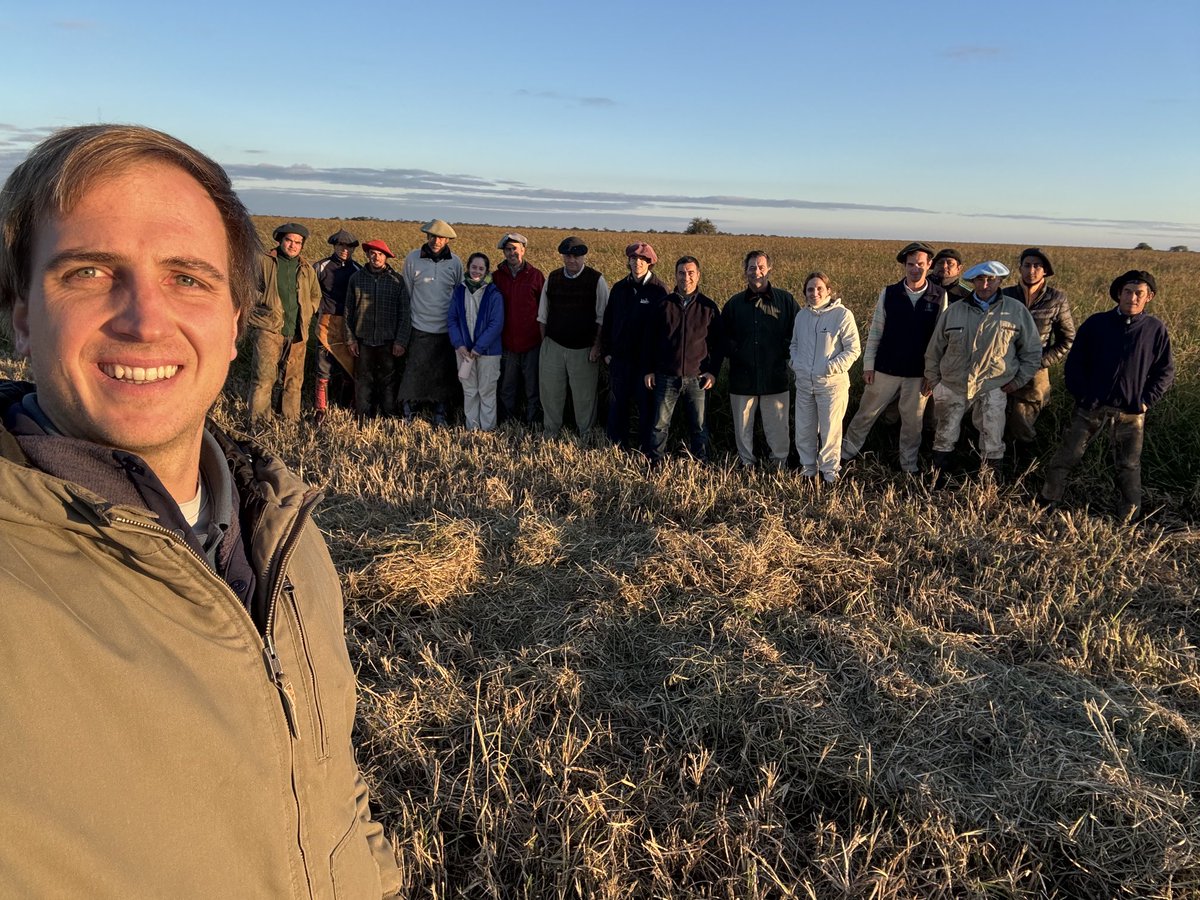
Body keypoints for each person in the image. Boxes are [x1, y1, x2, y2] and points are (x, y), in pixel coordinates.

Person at [0, 124, 400, 896]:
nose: (144, 320)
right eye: (88, 272)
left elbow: (329, 783)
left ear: (231, 322)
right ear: (20, 315)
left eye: (188, 278)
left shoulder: (288, 534)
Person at [1039, 270, 1174, 520]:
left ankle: (1130, 515)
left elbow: (1164, 371)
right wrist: (1082, 394)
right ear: (1118, 294)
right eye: (1127, 292)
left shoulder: (1155, 330)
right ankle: (1047, 500)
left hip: (1131, 412)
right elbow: (1075, 363)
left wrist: (1145, 401)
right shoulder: (1097, 323)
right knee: (1067, 455)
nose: (1132, 298)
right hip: (1091, 406)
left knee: (1129, 465)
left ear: (1149, 297)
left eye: (1138, 293)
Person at [924, 261, 1042, 474]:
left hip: (993, 386)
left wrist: (1017, 381)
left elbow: (1032, 352)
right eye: (980, 279)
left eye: (991, 279)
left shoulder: (1016, 311)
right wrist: (935, 381)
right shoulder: (954, 311)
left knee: (992, 439)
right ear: (972, 281)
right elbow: (934, 350)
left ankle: (988, 484)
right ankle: (938, 482)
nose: (985, 284)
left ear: (1000, 281)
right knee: (944, 436)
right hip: (953, 385)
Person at [841, 241, 946, 473]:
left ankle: (908, 465)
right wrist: (869, 365)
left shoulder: (939, 296)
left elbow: (939, 339)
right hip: (885, 368)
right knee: (865, 414)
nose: (915, 269)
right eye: (910, 264)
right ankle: (845, 454)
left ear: (929, 265)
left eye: (920, 264)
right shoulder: (889, 293)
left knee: (912, 423)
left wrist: (932, 373)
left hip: (918, 374)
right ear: (904, 266)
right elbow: (876, 330)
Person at [721, 250, 798, 468]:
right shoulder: (734, 304)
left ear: (769, 269)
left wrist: (783, 353)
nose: (757, 272)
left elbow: (798, 332)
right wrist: (737, 352)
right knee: (742, 425)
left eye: (761, 267)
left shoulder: (786, 301)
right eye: (752, 267)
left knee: (777, 425)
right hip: (742, 377)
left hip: (775, 375)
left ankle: (779, 463)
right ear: (745, 271)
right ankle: (747, 463)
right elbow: (722, 336)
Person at [643, 256, 723, 464]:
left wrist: (712, 372)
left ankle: (701, 462)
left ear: (698, 276)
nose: (685, 277)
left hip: (697, 379)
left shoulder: (709, 308)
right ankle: (655, 462)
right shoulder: (663, 305)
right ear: (675, 275)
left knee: (699, 425)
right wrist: (649, 369)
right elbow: (650, 341)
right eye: (681, 273)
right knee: (659, 424)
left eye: (690, 273)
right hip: (666, 377)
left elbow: (718, 344)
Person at [246, 220, 321, 428]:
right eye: (289, 240)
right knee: (264, 378)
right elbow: (248, 289)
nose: (293, 245)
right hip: (269, 328)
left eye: (298, 242)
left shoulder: (306, 269)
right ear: (280, 241)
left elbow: (316, 295)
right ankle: (259, 423)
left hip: (298, 331)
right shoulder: (264, 262)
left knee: (294, 380)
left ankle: (290, 419)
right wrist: (262, 309)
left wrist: (309, 310)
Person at [789, 272, 861, 483]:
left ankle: (830, 474)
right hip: (804, 384)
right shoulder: (802, 316)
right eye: (810, 289)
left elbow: (853, 349)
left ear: (829, 291)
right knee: (804, 429)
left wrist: (830, 368)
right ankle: (808, 470)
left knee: (830, 432)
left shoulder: (842, 315)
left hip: (831, 386)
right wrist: (796, 364)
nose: (815, 293)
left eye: (820, 288)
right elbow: (794, 344)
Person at [1000, 247, 1075, 449]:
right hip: (1003, 368)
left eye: (1037, 266)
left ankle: (1023, 467)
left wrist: (1038, 362)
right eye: (1027, 265)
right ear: (1020, 268)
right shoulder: (1005, 296)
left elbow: (1067, 339)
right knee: (996, 419)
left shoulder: (1056, 299)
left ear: (1045, 271)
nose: (1031, 270)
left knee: (1023, 423)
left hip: (1036, 372)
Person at [600, 241, 669, 452]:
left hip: (645, 364)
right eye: (633, 259)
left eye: (642, 260)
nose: (637, 263)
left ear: (650, 263)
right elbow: (608, 321)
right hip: (620, 360)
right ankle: (616, 448)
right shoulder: (620, 288)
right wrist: (607, 352)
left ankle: (645, 450)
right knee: (617, 406)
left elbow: (664, 331)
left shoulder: (659, 291)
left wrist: (656, 365)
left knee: (646, 408)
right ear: (628, 261)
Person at [538, 236, 609, 437]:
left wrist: (596, 347)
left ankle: (586, 433)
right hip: (554, 346)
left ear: (584, 256)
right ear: (562, 256)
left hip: (584, 349)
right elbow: (543, 315)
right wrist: (545, 344)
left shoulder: (596, 279)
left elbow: (603, 317)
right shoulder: (552, 278)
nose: (572, 260)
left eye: (576, 256)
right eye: (568, 256)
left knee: (584, 397)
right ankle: (550, 431)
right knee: (551, 393)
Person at [400, 218, 463, 425]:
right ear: (427, 236)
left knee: (443, 372)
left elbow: (458, 293)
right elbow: (408, 291)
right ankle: (411, 410)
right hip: (419, 325)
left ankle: (440, 411)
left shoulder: (455, 262)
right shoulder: (412, 259)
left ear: (447, 240)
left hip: (445, 328)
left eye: (441, 237)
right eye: (433, 236)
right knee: (415, 370)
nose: (436, 241)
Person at [345, 239, 411, 419]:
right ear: (367, 255)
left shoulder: (396, 281)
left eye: (380, 254)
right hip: (363, 340)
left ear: (386, 257)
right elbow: (348, 311)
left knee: (388, 382)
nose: (376, 257)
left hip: (388, 341)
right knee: (363, 382)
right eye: (372, 253)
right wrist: (350, 339)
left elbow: (405, 313)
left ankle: (390, 414)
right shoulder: (356, 279)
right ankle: (364, 416)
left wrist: (401, 341)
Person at [493, 232, 545, 426]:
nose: (511, 253)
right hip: (507, 343)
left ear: (523, 250)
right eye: (507, 249)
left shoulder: (536, 276)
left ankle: (534, 423)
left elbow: (544, 310)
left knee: (533, 387)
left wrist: (543, 339)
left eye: (514, 248)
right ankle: (507, 422)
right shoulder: (497, 277)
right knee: (507, 386)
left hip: (532, 343)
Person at [448, 252, 505, 431]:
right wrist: (460, 345)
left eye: (481, 268)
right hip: (464, 352)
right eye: (474, 267)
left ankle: (487, 430)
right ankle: (472, 429)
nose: (477, 271)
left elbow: (496, 324)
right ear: (468, 267)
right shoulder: (459, 291)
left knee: (487, 392)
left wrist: (479, 347)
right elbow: (452, 320)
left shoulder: (494, 293)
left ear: (487, 270)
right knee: (470, 391)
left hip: (488, 353)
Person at [312, 228, 361, 426]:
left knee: (348, 369)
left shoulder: (357, 270)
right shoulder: (321, 267)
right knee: (323, 369)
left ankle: (345, 405)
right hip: (326, 323)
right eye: (341, 245)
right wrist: (318, 313)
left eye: (349, 246)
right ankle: (320, 409)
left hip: (349, 325)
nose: (344, 250)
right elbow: (310, 293)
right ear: (334, 245)